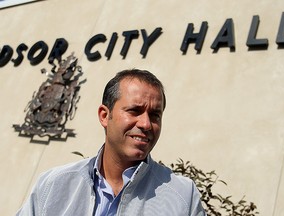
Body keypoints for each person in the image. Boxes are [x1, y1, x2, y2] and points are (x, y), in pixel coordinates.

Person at [17, 69, 206, 216]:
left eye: (155, 115)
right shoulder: (53, 185)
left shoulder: (183, 195)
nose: (146, 124)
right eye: (134, 111)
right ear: (105, 116)